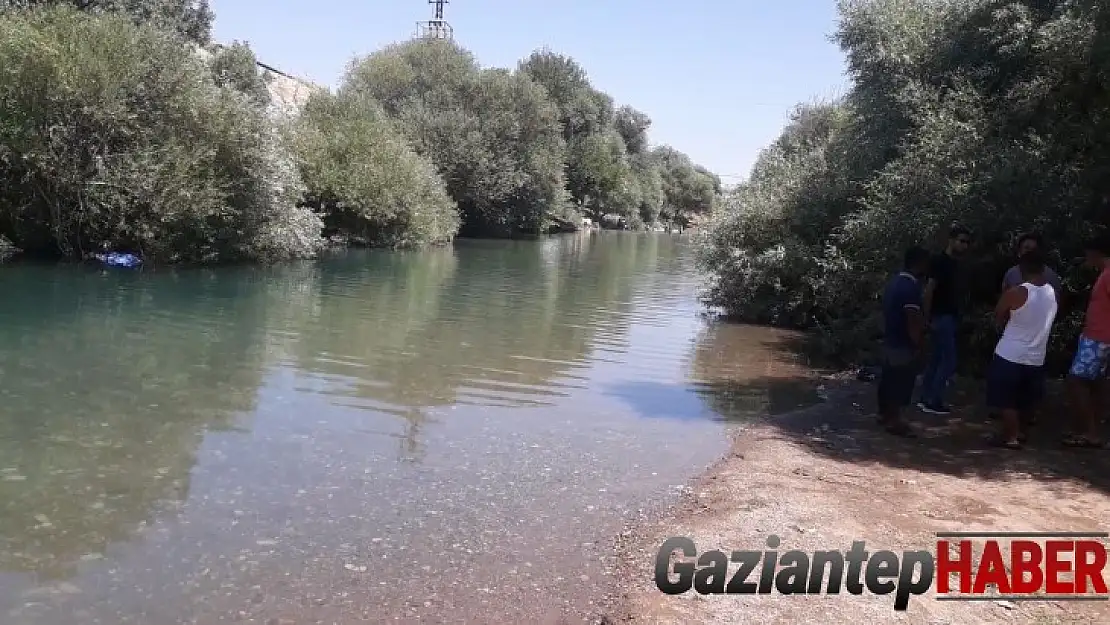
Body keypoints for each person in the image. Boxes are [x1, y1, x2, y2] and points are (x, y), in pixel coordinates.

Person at [986, 249, 1058, 449]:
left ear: (1022, 269)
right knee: (1026, 399)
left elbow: (998, 315)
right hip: (1036, 356)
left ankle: (1011, 436)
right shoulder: (1052, 293)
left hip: (1010, 353)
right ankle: (1021, 432)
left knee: (1005, 398)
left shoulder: (1017, 292)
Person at [918, 224, 972, 415]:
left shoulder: (955, 264)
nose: (964, 246)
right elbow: (929, 290)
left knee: (936, 358)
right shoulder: (941, 262)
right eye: (961, 241)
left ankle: (926, 397)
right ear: (951, 240)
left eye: (967, 242)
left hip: (948, 315)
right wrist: (927, 316)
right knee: (948, 360)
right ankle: (933, 400)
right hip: (941, 316)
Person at [878, 246, 931, 437]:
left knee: (888, 378)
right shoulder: (910, 288)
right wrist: (919, 344)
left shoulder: (894, 282)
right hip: (902, 340)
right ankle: (894, 420)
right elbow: (912, 319)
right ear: (920, 264)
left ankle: (884, 415)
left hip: (890, 337)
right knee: (901, 380)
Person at [1063, 235, 1110, 448]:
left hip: (1100, 338)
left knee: (1076, 380)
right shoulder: (1104, 274)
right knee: (1096, 384)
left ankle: (1090, 433)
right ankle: (1089, 429)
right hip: (1095, 336)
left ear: (1095, 253)